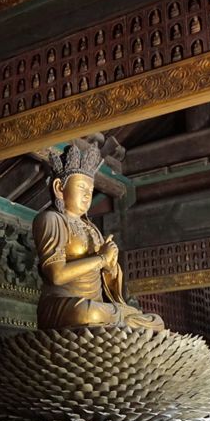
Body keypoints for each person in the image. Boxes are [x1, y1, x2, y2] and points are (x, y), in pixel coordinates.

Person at [33, 139, 164, 331]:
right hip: (64, 305)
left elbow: (107, 280)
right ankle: (118, 322)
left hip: (99, 305)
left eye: (90, 190)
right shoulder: (51, 219)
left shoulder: (92, 229)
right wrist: (101, 258)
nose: (87, 195)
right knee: (88, 313)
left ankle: (118, 320)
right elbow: (57, 275)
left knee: (156, 322)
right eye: (81, 188)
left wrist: (111, 265)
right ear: (60, 188)